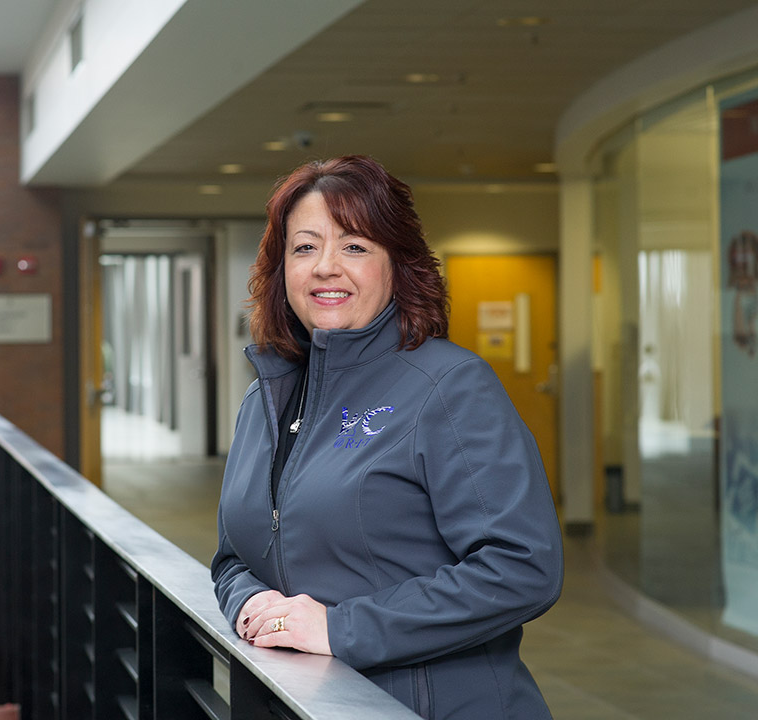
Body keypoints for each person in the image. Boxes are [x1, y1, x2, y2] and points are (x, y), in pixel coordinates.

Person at [211, 155, 563, 719]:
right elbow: (232, 557)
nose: (326, 267)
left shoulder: (448, 385)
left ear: (398, 266)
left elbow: (523, 566)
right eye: (304, 248)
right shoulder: (267, 398)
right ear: (281, 271)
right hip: (310, 702)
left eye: (354, 246)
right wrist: (251, 602)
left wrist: (340, 628)